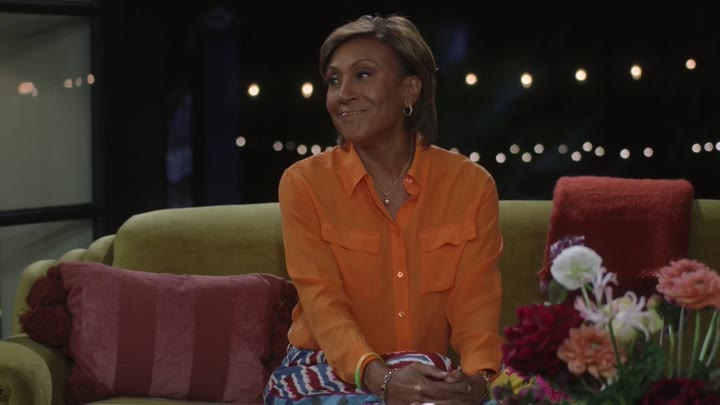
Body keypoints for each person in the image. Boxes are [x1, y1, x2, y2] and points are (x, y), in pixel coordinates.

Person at [264, 13, 503, 405]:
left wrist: (477, 383)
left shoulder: (471, 186)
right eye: (334, 81)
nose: (342, 94)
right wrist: (382, 380)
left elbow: (477, 304)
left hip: (423, 372)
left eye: (362, 75)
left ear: (409, 90)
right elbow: (323, 302)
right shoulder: (303, 183)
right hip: (324, 370)